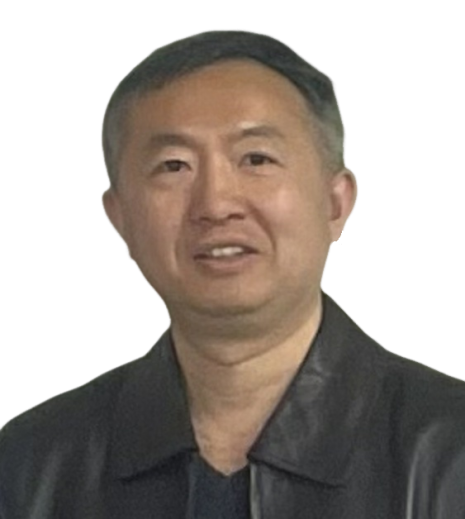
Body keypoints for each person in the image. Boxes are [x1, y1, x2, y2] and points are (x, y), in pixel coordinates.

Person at [1, 29, 464, 519]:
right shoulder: (29, 464)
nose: (216, 204)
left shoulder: (451, 449)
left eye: (256, 159)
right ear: (120, 219)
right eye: (174, 166)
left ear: (335, 203)